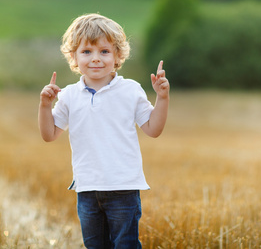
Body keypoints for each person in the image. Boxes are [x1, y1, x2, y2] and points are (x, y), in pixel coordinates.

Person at [38, 13, 169, 248]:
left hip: (123, 187)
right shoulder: (68, 95)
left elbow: (153, 129)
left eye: (104, 51)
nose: (96, 58)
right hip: (87, 188)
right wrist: (45, 106)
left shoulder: (131, 90)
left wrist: (162, 98)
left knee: (125, 244)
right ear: (74, 57)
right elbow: (49, 135)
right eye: (87, 52)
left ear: (118, 55)